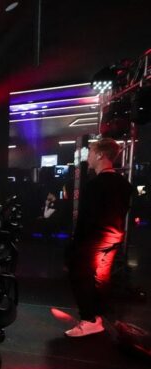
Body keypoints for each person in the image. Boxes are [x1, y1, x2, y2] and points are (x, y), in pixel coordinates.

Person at [64, 138, 133, 337]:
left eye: (92, 152)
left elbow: (86, 218)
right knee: (101, 277)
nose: (89, 157)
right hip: (114, 236)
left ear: (101, 155)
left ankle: (89, 320)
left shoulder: (95, 185)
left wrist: (75, 245)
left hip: (95, 237)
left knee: (80, 274)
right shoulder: (124, 184)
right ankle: (98, 315)